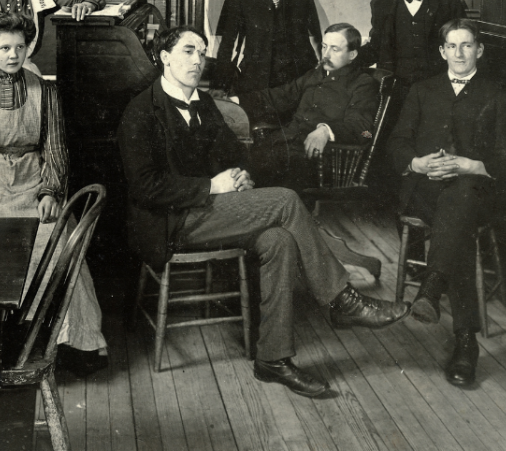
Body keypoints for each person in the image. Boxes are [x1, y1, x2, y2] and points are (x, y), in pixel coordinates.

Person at [117, 25, 409, 399]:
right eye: (188, 51)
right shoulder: (142, 110)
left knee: (279, 239)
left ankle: (273, 359)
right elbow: (144, 188)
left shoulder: (203, 103)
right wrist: (212, 186)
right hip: (167, 222)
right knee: (286, 200)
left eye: (202, 53)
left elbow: (233, 155)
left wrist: (241, 176)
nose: (197, 60)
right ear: (165, 57)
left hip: (207, 212)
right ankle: (342, 301)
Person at [0, 13, 107, 362]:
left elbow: (56, 151)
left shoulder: (45, 92)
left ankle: (63, 345)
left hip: (34, 182)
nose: (14, 54)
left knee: (56, 243)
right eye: (4, 47)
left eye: (20, 46)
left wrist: (50, 192)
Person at [387, 19, 506, 386]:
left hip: (476, 191)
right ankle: (465, 342)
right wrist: (418, 163)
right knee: (456, 223)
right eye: (452, 46)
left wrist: (472, 165)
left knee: (460, 201)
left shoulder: (497, 93)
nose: (459, 53)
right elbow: (397, 142)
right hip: (425, 191)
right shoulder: (422, 90)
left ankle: (432, 291)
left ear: (479, 50)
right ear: (442, 51)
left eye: (467, 46)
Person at [235, 23, 379, 189]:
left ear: (352, 54)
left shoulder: (362, 84)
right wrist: (235, 101)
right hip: (286, 145)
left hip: (320, 158)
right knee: (240, 160)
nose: (325, 55)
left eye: (334, 49)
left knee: (256, 176)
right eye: (324, 47)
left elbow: (363, 130)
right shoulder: (315, 74)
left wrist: (326, 130)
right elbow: (279, 96)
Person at [357, 0, 467, 122]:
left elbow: (464, 44)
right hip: (397, 93)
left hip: (440, 89)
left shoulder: (449, 0)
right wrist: (346, 58)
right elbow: (376, 47)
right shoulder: (381, 4)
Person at [211, 0, 322, 106]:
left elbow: (316, 36)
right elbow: (228, 42)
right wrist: (220, 84)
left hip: (296, 81)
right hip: (256, 81)